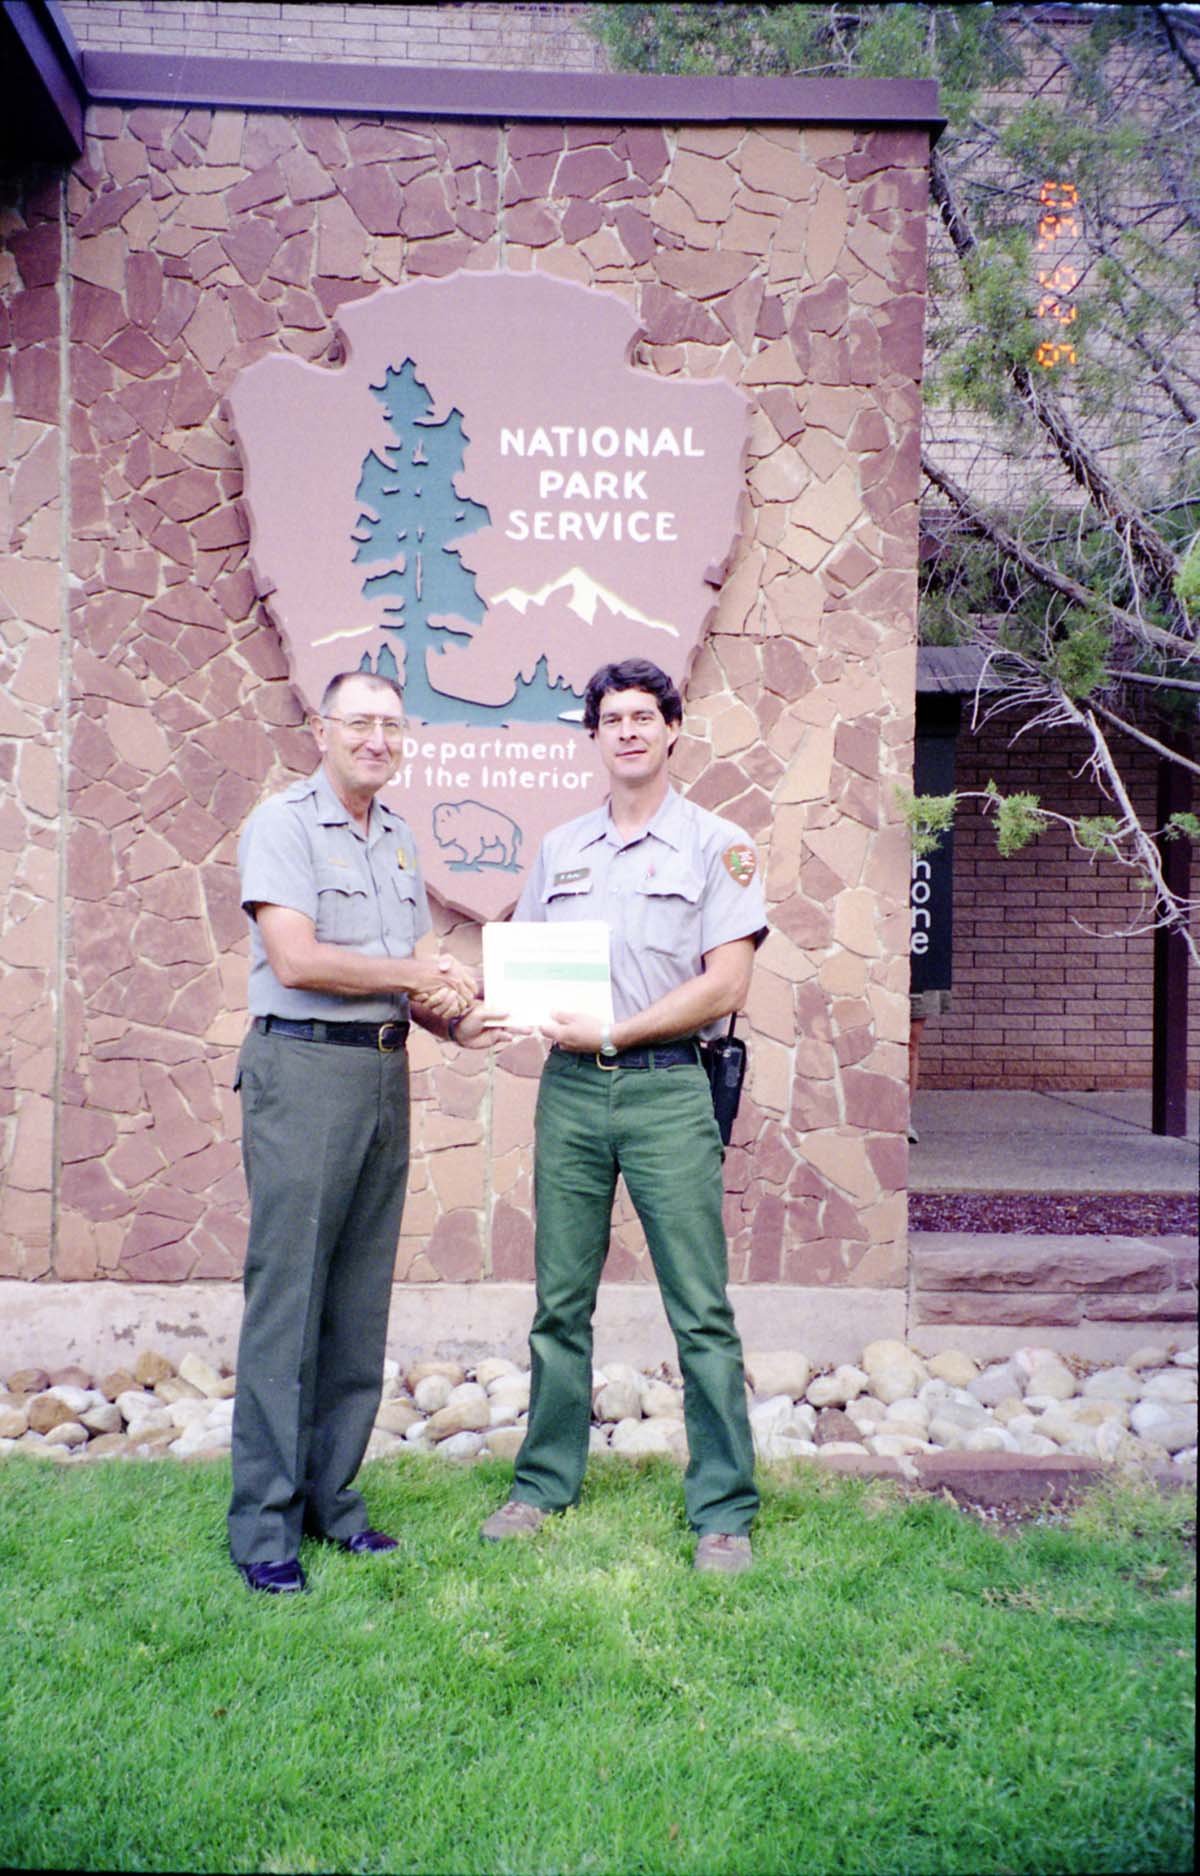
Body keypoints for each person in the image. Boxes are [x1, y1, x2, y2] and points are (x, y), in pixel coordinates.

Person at [481, 658, 766, 1574]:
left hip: (667, 1089)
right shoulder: (561, 850)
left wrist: (618, 1028)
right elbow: (525, 969)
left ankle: (722, 1507)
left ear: (674, 730)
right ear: (595, 737)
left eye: (647, 716)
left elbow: (725, 983)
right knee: (559, 1302)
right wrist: (489, 1006)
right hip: (569, 1093)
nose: (631, 731)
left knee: (700, 1307)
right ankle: (542, 1484)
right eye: (614, 719)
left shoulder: (719, 846)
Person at [229, 669, 493, 1594]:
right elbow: (297, 959)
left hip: (382, 1072)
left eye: (392, 724)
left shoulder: (397, 841)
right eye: (360, 723)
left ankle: (332, 1503)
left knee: (355, 1302)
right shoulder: (285, 825)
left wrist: (460, 1017)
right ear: (322, 728)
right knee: (289, 1299)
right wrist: (421, 976)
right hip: (302, 1072)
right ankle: (264, 1527)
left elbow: (402, 982)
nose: (377, 738)